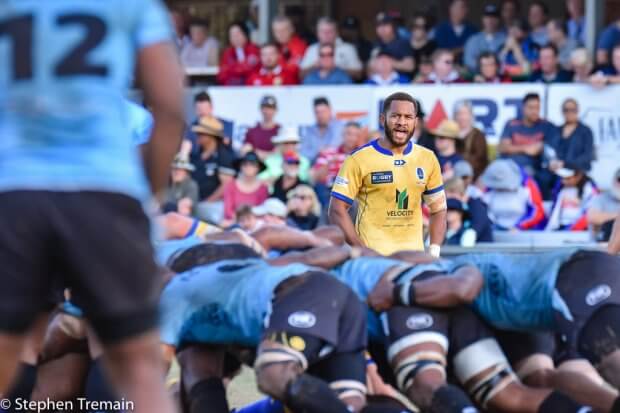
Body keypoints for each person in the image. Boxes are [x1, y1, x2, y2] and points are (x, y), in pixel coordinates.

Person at [0, 1, 185, 412]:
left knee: (13, 348)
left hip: (17, 190)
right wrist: (146, 196)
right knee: (137, 363)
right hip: (104, 189)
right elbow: (171, 107)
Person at [366, 249, 620, 412]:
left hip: (576, 276)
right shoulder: (465, 289)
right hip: (524, 321)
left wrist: (395, 291)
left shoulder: (462, 267)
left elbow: (462, 289)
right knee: (539, 379)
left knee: (607, 350)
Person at [158, 243, 371, 413]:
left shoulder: (176, 295)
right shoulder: (254, 271)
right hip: (336, 301)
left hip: (302, 300)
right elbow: (309, 257)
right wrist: (354, 251)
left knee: (273, 374)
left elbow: (150, 377)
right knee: (351, 399)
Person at [329, 92, 447, 256]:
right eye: (395, 116)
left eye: (408, 117)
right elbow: (336, 209)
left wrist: (434, 251)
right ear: (382, 119)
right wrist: (361, 249)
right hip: (374, 261)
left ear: (416, 122)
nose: (401, 122)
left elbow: (439, 209)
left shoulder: (427, 158)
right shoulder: (358, 159)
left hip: (413, 258)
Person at [498, 92, 559, 198]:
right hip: (509, 166)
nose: (534, 111)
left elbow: (547, 149)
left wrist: (513, 148)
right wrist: (526, 149)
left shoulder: (546, 126)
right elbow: (503, 147)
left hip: (532, 169)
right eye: (531, 108)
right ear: (523, 108)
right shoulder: (512, 124)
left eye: (537, 108)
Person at [189, 117, 236, 224]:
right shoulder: (196, 155)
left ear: (211, 136)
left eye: (201, 133)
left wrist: (207, 201)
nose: (198, 136)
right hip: (194, 204)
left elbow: (226, 185)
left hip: (215, 205)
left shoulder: (223, 155)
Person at [481, 159, 546, 230]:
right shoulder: (488, 189)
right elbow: (483, 209)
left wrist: (520, 226)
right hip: (495, 229)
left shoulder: (527, 185)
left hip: (525, 231)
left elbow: (537, 211)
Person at [312, 122, 362, 207]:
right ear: (343, 135)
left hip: (354, 190)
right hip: (329, 190)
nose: (352, 138)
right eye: (349, 134)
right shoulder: (329, 152)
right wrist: (329, 163)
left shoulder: (363, 155)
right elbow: (316, 178)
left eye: (355, 135)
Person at [222, 152, 269, 225]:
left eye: (253, 165)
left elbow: (262, 210)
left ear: (258, 168)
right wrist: (242, 221)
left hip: (254, 224)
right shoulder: (231, 185)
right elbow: (228, 211)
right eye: (245, 164)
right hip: (234, 222)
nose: (249, 167)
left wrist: (249, 221)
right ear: (240, 166)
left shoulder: (263, 188)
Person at [549, 98, 595, 173]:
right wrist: (552, 163)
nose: (569, 113)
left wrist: (566, 164)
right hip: (558, 171)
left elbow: (587, 155)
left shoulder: (586, 131)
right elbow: (551, 150)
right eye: (566, 110)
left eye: (573, 110)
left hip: (578, 171)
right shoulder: (557, 131)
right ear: (562, 111)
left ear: (577, 110)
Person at [445, 176, 494, 242]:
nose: (448, 197)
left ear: (461, 194)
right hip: (459, 247)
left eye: (452, 193)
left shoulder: (476, 205)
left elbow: (474, 230)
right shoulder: (451, 206)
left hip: (481, 248)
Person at [463, 4, 506, 74]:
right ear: (483, 19)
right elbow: (468, 61)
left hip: (501, 81)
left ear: (499, 19)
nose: (490, 20)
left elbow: (509, 62)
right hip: (478, 80)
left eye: (494, 17)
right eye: (487, 17)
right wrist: (485, 69)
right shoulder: (473, 40)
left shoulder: (505, 39)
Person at [299, 97, 345, 161]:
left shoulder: (340, 127)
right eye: (317, 112)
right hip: (313, 166)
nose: (320, 115)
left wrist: (322, 152)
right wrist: (318, 152)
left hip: (335, 165)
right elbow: (303, 153)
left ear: (330, 110)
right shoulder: (309, 131)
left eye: (323, 111)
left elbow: (336, 146)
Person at [217, 21, 260, 86]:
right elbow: (222, 75)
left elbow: (251, 68)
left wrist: (232, 69)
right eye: (232, 35)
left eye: (238, 34)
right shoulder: (227, 53)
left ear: (245, 34)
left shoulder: (254, 49)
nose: (235, 37)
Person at [454, 101, 489, 180]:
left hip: (474, 177)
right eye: (459, 114)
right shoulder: (451, 134)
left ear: (471, 116)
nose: (462, 117)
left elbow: (479, 159)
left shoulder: (478, 135)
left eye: (465, 114)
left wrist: (457, 164)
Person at [242, 95, 281, 160]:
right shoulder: (252, 131)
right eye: (265, 108)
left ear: (275, 110)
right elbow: (245, 151)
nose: (268, 111)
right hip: (256, 167)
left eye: (271, 108)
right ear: (260, 109)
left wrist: (255, 152)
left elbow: (279, 154)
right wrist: (270, 154)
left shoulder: (280, 131)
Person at [587, 168, 620, 242]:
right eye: (619, 180)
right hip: (601, 245)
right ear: (614, 181)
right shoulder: (600, 198)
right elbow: (593, 218)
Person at [408, 13, 437, 78]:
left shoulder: (433, 46)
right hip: (405, 85)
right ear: (411, 27)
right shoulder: (404, 45)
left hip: (426, 84)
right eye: (416, 26)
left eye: (424, 26)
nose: (420, 29)